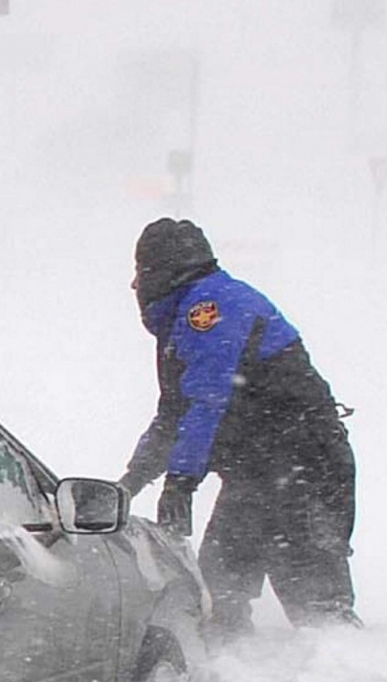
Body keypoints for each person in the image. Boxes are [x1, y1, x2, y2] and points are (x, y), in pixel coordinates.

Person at [118, 217, 357, 634]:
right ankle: (238, 677)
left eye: (140, 272)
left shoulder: (208, 311)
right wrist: (130, 483)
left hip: (300, 469)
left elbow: (206, 402)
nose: (135, 286)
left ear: (161, 271)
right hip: (265, 473)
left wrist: (181, 482)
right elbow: (173, 416)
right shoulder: (189, 317)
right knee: (220, 589)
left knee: (315, 602)